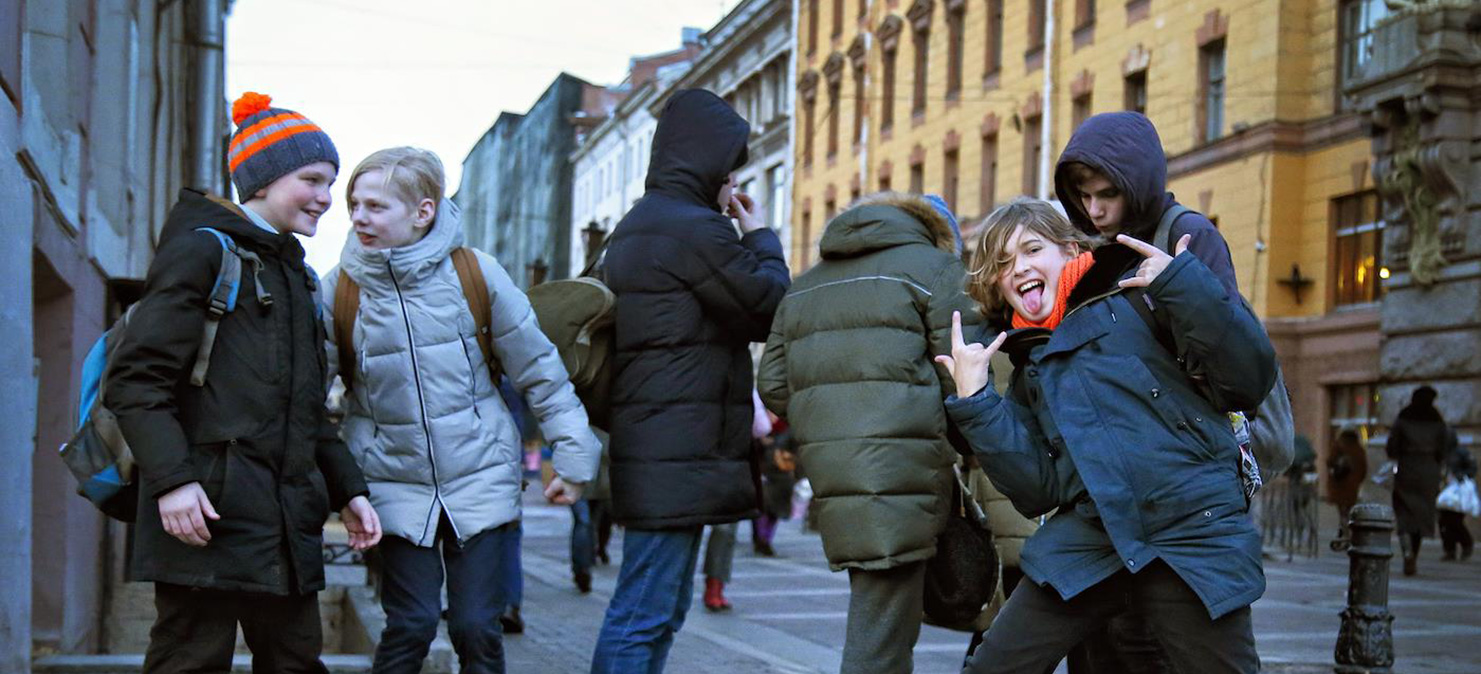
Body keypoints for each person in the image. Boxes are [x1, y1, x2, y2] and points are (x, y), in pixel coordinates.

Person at [938, 198, 1276, 674]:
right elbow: (1038, 491)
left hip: (1189, 527)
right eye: (1003, 264)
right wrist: (976, 401)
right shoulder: (1027, 368)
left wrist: (1185, 287)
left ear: (1069, 248)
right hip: (1093, 538)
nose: (1020, 269)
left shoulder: (1137, 298)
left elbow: (1248, 378)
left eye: (1033, 249)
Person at [107, 92, 382, 673]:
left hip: (285, 523)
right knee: (191, 663)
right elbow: (135, 380)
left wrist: (349, 490)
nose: (327, 199)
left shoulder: (298, 278)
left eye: (331, 182)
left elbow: (306, 414)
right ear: (262, 179)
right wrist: (174, 483)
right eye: (312, 179)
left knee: (295, 664)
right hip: (203, 518)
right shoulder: (204, 251)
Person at [324, 146, 599, 673]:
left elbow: (540, 371)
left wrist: (573, 456)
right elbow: (307, 397)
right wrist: (335, 486)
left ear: (423, 211)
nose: (359, 216)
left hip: (480, 476)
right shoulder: (339, 291)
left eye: (376, 206)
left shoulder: (476, 274)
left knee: (477, 628)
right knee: (410, 625)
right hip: (391, 482)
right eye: (354, 204)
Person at [592, 89, 790, 673]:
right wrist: (759, 237)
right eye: (731, 171)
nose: (734, 185)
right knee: (644, 613)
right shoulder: (692, 230)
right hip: (675, 450)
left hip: (660, 444)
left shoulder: (636, 226)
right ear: (707, 164)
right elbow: (766, 306)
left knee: (660, 609)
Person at [1054, 110, 1251, 674]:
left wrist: (1178, 291)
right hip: (1121, 489)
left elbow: (1232, 366)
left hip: (1186, 492)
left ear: (1137, 182)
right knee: (1120, 645)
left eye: (1108, 192)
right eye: (1083, 194)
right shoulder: (1101, 251)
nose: (1094, 209)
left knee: (1190, 650)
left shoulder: (1189, 233)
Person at [758, 191, 980, 674]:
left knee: (883, 616)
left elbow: (773, 384)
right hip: (909, 467)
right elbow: (965, 376)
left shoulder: (804, 286)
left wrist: (835, 424)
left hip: (839, 472)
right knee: (881, 634)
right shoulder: (938, 270)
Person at [1386, 385, 1457, 575]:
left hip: (1407, 468)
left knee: (1403, 511)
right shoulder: (1437, 418)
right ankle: (1413, 556)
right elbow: (1445, 446)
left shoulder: (1404, 416)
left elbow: (1392, 445)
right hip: (1429, 471)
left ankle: (1407, 553)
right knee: (1421, 515)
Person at [1325, 429, 1369, 545]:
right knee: (1349, 510)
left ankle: (1345, 534)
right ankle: (1344, 532)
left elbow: (1330, 461)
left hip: (1339, 484)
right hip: (1352, 486)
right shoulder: (1359, 450)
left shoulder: (1339, 446)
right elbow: (1364, 469)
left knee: (1342, 512)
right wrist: (1357, 481)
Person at [1439, 443, 1476, 561]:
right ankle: (1450, 549)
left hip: (1458, 493)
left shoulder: (1460, 452)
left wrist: (1462, 475)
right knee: (1444, 522)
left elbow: (1472, 468)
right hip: (1445, 492)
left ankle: (1466, 544)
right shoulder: (1441, 452)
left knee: (1455, 520)